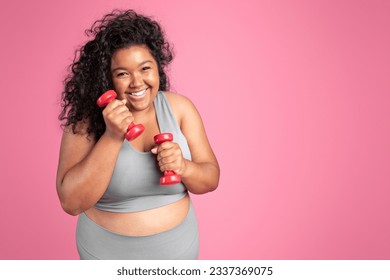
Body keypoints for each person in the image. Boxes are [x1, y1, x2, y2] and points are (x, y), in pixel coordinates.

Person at [56, 9, 220, 260]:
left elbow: (210, 180)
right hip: (105, 254)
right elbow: (71, 202)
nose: (137, 82)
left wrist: (183, 167)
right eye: (122, 73)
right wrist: (111, 136)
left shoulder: (180, 108)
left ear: (158, 68)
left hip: (178, 252)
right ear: (107, 79)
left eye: (145, 68)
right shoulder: (86, 121)